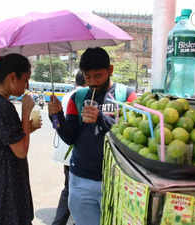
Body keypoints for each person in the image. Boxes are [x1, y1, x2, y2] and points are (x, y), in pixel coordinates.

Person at [48, 47, 137, 225]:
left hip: (116, 181)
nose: (93, 82)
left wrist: (101, 119)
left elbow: (133, 137)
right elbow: (69, 137)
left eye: (98, 75)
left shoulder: (127, 96)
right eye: (88, 77)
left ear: (110, 70)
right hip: (81, 181)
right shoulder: (77, 98)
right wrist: (56, 117)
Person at [0, 53, 42, 225]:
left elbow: (5, 140)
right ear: (12, 77)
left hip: (0, 182)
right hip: (8, 185)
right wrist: (26, 113)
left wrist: (28, 128)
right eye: (25, 80)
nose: (27, 85)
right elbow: (20, 151)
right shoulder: (1, 105)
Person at [51, 71, 86, 225]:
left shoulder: (66, 95)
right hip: (73, 151)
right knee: (72, 190)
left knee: (69, 188)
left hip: (64, 151)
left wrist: (54, 118)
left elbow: (56, 124)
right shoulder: (83, 96)